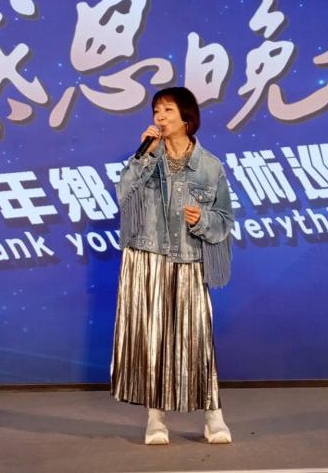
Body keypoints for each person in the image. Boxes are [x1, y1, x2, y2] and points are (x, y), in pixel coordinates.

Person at [111, 86, 235, 445]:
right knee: (152, 341)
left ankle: (213, 417)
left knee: (197, 341)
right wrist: (143, 156)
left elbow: (224, 219)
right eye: (156, 111)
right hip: (146, 257)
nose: (160, 117)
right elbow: (123, 195)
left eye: (167, 110)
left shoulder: (209, 166)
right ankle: (155, 419)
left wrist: (202, 220)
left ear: (186, 117)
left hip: (188, 259)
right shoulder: (148, 157)